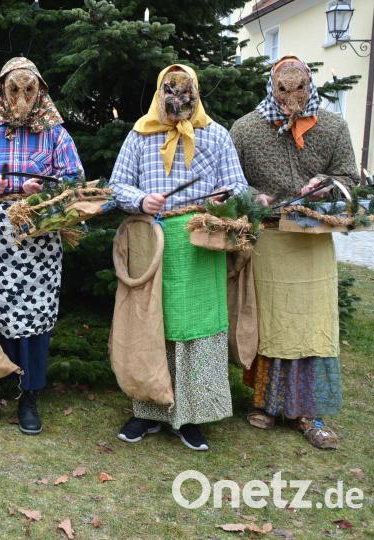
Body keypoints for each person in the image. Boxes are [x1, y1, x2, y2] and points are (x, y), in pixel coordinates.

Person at [109, 65, 248, 451]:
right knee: (152, 323)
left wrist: (222, 197)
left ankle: (190, 416)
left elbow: (238, 184)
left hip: (200, 242)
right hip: (152, 241)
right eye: (171, 96)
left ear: (195, 95)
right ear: (160, 95)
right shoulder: (140, 134)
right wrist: (140, 199)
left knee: (195, 326)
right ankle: (148, 410)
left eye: (185, 97)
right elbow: (115, 186)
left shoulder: (216, 135)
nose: (178, 104)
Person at [230, 56, 357, 450]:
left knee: (310, 325)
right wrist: (254, 196)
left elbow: (350, 178)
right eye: (283, 91)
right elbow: (230, 178)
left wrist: (327, 185)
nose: (291, 99)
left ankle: (308, 411)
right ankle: (266, 402)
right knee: (271, 322)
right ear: (272, 87)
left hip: (313, 243)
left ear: (309, 84)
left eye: (299, 89)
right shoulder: (247, 129)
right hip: (269, 241)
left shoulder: (333, 127)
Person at [0, 57, 84, 435]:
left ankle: (29, 397)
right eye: (14, 90)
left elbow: (75, 182)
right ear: (1, 90)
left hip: (38, 242)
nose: (21, 98)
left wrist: (39, 190)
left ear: (40, 91)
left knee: (33, 317)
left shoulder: (55, 134)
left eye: (29, 90)